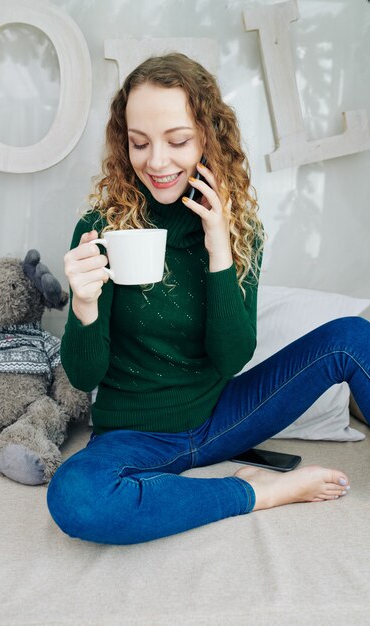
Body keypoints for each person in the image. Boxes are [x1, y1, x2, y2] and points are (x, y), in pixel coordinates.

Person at [47, 52, 369, 545]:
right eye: (139, 143)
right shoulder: (99, 229)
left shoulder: (239, 231)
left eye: (177, 141)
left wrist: (220, 247)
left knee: (352, 336)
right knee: (77, 496)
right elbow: (84, 376)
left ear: (207, 137)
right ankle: (256, 492)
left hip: (223, 417)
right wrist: (84, 307)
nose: (157, 161)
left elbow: (232, 356)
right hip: (134, 435)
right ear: (123, 142)